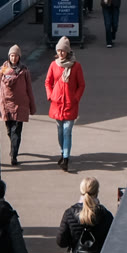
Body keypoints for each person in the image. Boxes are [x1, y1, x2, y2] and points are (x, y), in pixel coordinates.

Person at [0, 46, 34, 166]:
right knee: (9, 131)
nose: (14, 58)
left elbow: (29, 89)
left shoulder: (24, 71)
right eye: (12, 55)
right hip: (5, 105)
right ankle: (14, 147)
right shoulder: (3, 70)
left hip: (20, 105)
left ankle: (14, 155)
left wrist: (32, 106)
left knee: (16, 131)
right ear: (9, 56)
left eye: (16, 55)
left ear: (19, 57)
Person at [44, 41, 85, 172]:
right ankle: (63, 152)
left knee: (67, 131)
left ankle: (66, 158)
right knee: (60, 131)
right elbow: (48, 82)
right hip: (57, 103)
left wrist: (75, 98)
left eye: (63, 50)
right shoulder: (53, 65)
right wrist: (51, 95)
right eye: (58, 50)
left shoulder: (76, 66)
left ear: (68, 51)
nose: (60, 53)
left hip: (70, 104)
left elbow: (81, 85)